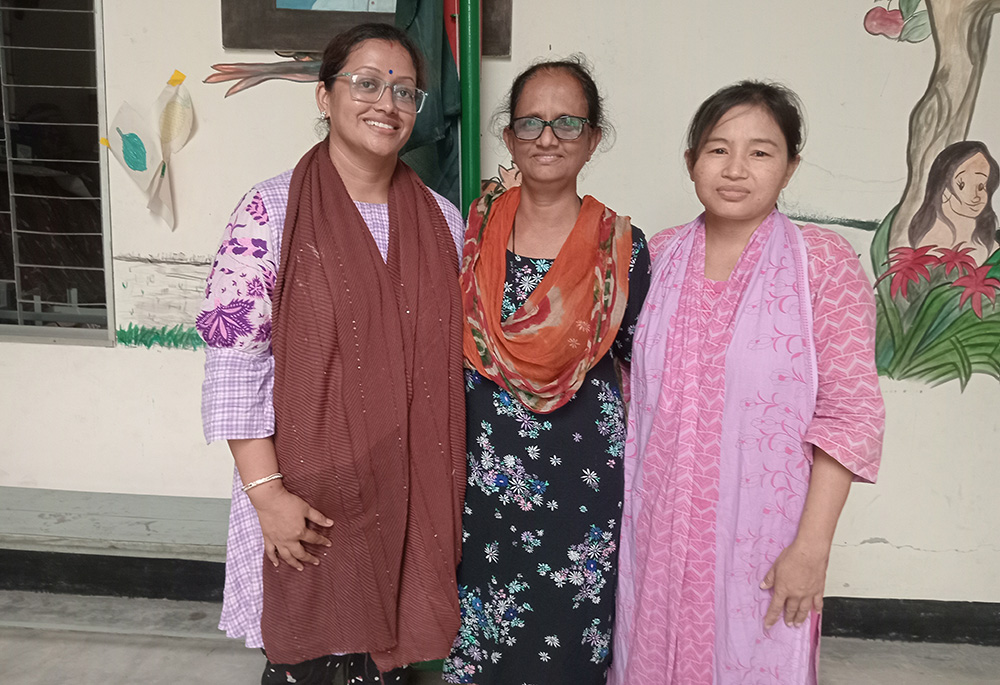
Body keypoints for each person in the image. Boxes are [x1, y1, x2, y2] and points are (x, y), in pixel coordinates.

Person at [197, 23, 467, 685]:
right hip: (307, 500)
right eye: (367, 82)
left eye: (406, 91)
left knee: (395, 663)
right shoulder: (270, 210)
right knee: (315, 661)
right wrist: (269, 497)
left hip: (410, 495)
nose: (388, 102)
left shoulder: (442, 219)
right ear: (324, 96)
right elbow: (236, 363)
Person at [610, 81, 885, 685]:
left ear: (790, 167)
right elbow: (627, 394)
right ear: (690, 162)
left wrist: (811, 551)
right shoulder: (655, 258)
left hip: (765, 546)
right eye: (717, 149)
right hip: (657, 536)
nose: (736, 169)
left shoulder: (823, 263)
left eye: (761, 152)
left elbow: (850, 414)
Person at [442, 57, 651, 685]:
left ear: (592, 137)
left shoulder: (622, 247)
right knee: (481, 638)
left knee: (567, 647)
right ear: (508, 136)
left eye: (567, 122)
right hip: (478, 478)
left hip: (582, 485)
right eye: (531, 123)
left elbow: (644, 364)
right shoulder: (468, 234)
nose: (548, 137)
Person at [908, 140, 999, 265]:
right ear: (942, 187)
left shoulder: (989, 244)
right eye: (962, 185)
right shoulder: (928, 241)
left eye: (981, 186)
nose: (976, 197)